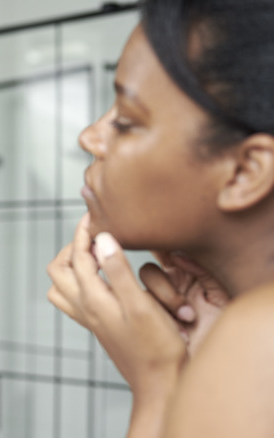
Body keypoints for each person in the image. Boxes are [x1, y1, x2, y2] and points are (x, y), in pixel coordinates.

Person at [46, 0, 274, 437]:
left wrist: (158, 383)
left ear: (245, 172)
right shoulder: (240, 332)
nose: (88, 137)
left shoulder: (259, 337)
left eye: (127, 121)